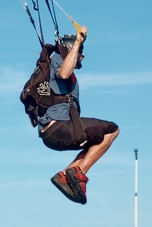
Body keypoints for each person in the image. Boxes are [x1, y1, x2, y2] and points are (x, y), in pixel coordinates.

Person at [33, 25, 119, 205]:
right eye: (80, 52)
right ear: (72, 50)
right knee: (111, 130)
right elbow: (64, 73)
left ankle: (67, 174)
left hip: (55, 132)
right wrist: (79, 41)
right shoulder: (57, 59)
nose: (83, 56)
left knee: (97, 139)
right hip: (59, 127)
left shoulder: (58, 63)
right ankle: (77, 174)